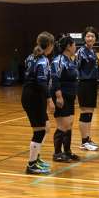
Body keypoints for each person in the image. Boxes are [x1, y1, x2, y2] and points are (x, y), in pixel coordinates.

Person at [21, 32, 55, 175]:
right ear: (50, 45)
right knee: (39, 131)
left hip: (31, 95)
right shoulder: (42, 60)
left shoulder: (31, 56)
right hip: (34, 97)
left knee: (46, 127)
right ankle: (31, 165)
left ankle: (37, 158)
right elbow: (41, 82)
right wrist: (49, 100)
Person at [51, 35, 80, 162]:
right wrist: (59, 96)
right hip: (61, 96)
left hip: (70, 96)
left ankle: (67, 152)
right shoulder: (58, 60)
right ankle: (57, 153)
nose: (75, 47)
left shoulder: (70, 60)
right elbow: (55, 79)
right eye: (74, 45)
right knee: (63, 125)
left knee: (69, 124)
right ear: (68, 46)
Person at [77, 26, 99, 151]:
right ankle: (83, 141)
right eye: (88, 36)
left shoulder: (93, 51)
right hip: (84, 84)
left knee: (89, 112)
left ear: (95, 38)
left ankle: (87, 138)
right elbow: (76, 68)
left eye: (92, 36)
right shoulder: (81, 52)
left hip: (92, 84)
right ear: (84, 38)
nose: (90, 38)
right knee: (85, 111)